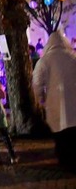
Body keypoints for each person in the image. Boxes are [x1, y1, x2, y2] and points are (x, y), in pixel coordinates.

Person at [32, 31, 76, 171]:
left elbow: (37, 83)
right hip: (73, 101)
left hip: (54, 101)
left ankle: (64, 159)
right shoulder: (72, 58)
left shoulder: (44, 61)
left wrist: (40, 99)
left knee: (59, 133)